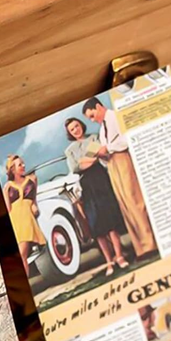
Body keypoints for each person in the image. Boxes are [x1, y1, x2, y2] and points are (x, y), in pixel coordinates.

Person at [82, 98, 157, 260]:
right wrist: (102, 154)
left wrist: (107, 148)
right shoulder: (101, 131)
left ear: (98, 106)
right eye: (89, 118)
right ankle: (141, 248)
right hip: (112, 166)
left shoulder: (116, 117)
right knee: (125, 206)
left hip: (124, 160)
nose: (92, 120)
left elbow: (128, 139)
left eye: (92, 115)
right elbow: (103, 155)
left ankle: (151, 244)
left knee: (135, 200)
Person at [64, 117, 128, 277]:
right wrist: (90, 158)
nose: (76, 130)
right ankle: (109, 261)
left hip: (101, 180)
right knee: (97, 226)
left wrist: (86, 160)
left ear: (81, 125)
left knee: (110, 220)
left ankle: (119, 256)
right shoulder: (69, 150)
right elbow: (76, 168)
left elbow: (99, 156)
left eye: (76, 126)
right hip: (87, 186)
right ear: (70, 133)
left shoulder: (93, 138)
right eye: (72, 129)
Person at [3, 155, 46, 275]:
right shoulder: (8, 186)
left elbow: (34, 199)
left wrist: (34, 206)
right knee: (22, 256)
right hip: (15, 219)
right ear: (12, 169)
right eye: (20, 165)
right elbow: (8, 208)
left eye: (23, 163)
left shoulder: (32, 180)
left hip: (27, 218)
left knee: (22, 254)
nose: (23, 166)